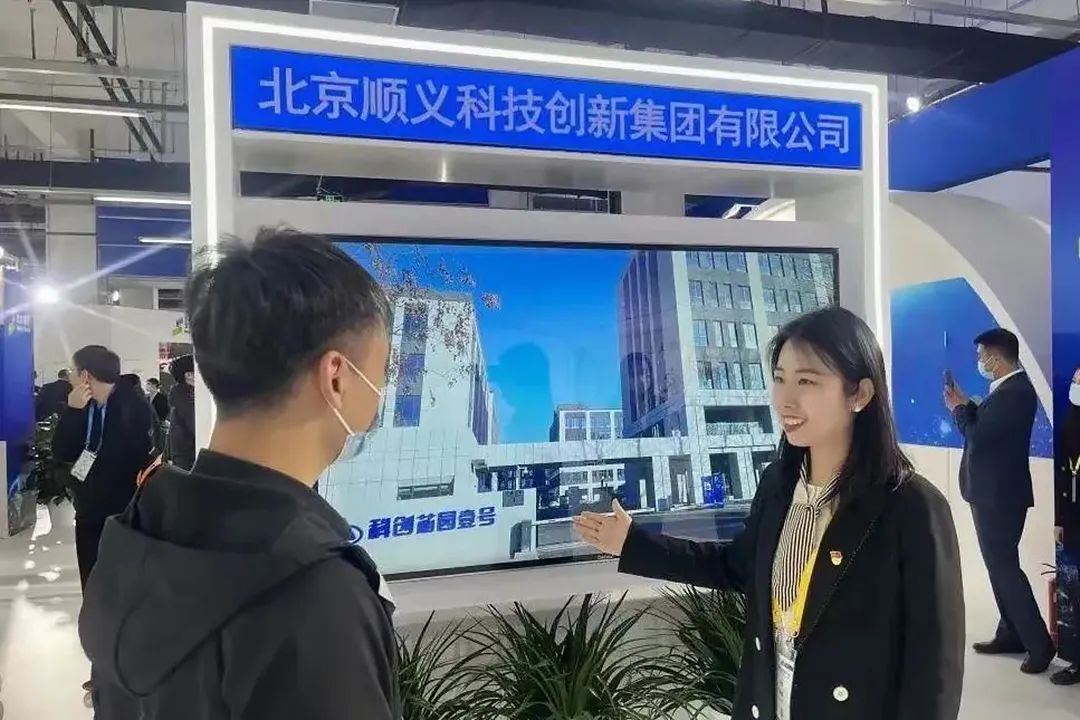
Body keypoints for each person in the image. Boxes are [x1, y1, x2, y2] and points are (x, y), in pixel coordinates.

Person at [575, 307, 964, 720]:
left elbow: (932, 674)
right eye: (779, 378)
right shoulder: (779, 484)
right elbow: (735, 567)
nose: (784, 399)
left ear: (860, 394)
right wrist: (633, 543)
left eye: (806, 381)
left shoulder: (911, 507)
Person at [79, 228, 400, 720]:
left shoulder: (140, 528)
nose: (380, 391)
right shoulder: (317, 593)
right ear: (336, 376)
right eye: (382, 372)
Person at [945, 327, 1056, 673]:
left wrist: (959, 409)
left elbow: (978, 436)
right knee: (999, 568)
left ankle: (1040, 645)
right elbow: (988, 429)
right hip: (989, 493)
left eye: (982, 356)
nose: (979, 362)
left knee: (1005, 570)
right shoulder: (1005, 392)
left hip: (999, 497)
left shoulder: (1016, 392)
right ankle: (1011, 634)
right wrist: (967, 405)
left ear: (995, 357)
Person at [52, 346, 154, 693]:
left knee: (124, 598)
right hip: (90, 514)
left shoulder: (134, 407)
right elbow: (63, 452)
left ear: (86, 375)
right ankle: (104, 673)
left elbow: (138, 460)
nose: (70, 377)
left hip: (125, 517)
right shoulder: (84, 407)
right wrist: (73, 412)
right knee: (94, 596)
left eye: (73, 371)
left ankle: (126, 674)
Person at [1051, 366, 1080, 686]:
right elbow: (1066, 476)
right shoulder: (1072, 421)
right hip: (1075, 516)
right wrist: (1061, 520)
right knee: (1075, 592)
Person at [166, 355, 196, 471]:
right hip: (188, 459)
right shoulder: (185, 397)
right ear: (188, 375)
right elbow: (196, 426)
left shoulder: (183, 394)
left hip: (186, 457)